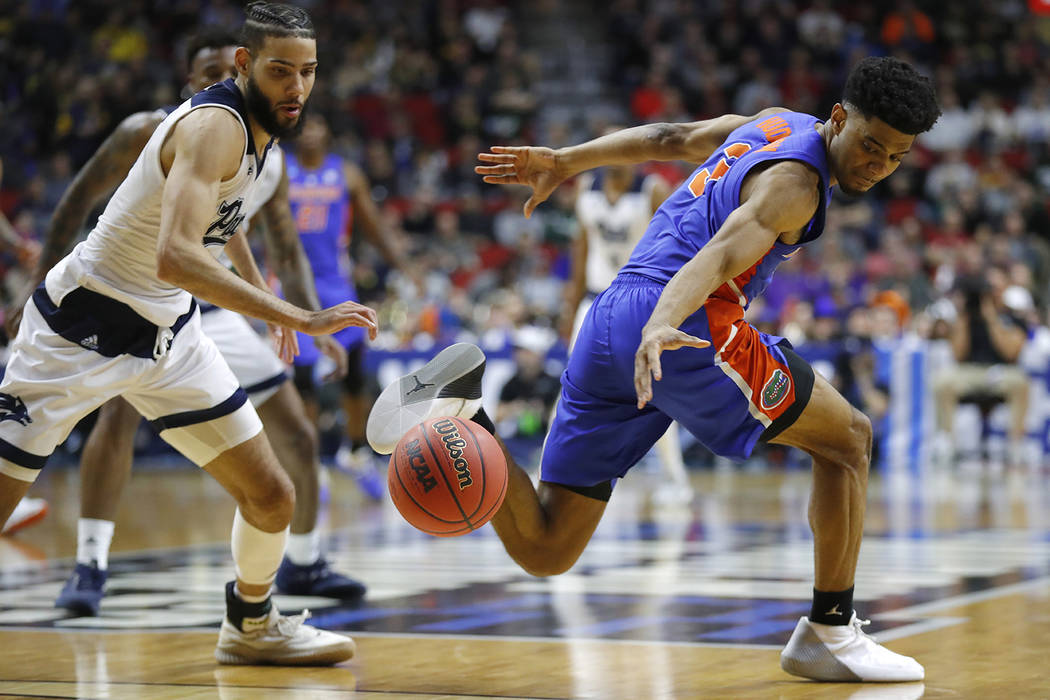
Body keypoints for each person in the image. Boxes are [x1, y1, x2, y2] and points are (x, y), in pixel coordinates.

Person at [376, 56, 938, 682]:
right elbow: (721, 254)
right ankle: (830, 630)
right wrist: (660, 325)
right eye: (870, 146)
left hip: (609, 313)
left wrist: (566, 162)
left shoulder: (774, 121)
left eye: (895, 156)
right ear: (838, 119)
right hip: (686, 324)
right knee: (850, 439)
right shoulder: (798, 186)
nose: (877, 166)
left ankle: (465, 411)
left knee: (546, 548)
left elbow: (668, 138)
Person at [0, 3, 370, 665]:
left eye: (308, 72)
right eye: (282, 71)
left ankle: (252, 625)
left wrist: (262, 308)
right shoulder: (213, 127)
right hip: (78, 333)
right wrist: (297, 317)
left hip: (170, 336)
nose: (297, 87)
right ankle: (92, 561)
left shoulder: (265, 134)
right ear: (245, 64)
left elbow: (229, 228)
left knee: (271, 493)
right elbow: (178, 255)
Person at [283, 113, 411, 498]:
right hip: (294, 283)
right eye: (304, 126)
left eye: (317, 125)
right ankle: (310, 463)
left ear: (327, 132)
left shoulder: (347, 174)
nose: (310, 132)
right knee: (303, 377)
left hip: (336, 283)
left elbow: (371, 224)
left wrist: (403, 265)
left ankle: (355, 451)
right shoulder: (279, 171)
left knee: (355, 371)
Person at [561, 134, 692, 504]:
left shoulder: (652, 190)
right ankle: (560, 472)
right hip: (594, 298)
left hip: (639, 301)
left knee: (652, 390)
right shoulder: (586, 189)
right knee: (573, 384)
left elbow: (677, 244)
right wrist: (570, 309)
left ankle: (676, 478)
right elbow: (580, 247)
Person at [931, 269, 1031, 464]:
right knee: (942, 381)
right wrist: (964, 317)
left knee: (1021, 382)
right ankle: (947, 443)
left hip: (1001, 372)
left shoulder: (1012, 317)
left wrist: (991, 317)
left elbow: (1010, 352)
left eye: (993, 288)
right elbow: (958, 354)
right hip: (969, 372)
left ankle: (1016, 444)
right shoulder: (965, 317)